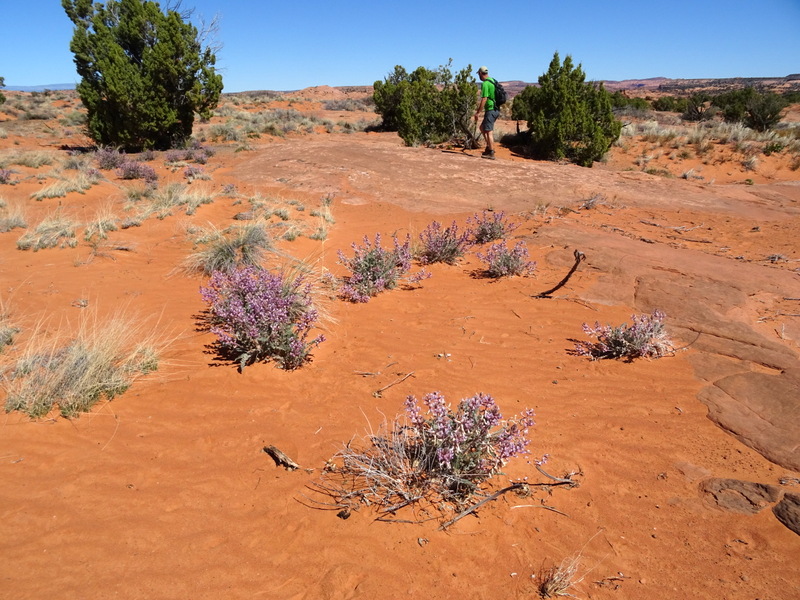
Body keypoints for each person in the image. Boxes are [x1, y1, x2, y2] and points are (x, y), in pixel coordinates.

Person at [473, 66, 499, 160]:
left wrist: (478, 112)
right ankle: (489, 147)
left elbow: (484, 98)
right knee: (482, 128)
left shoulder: (485, 84)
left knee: (488, 131)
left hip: (491, 109)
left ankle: (491, 152)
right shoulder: (493, 80)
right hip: (496, 109)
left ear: (480, 73)